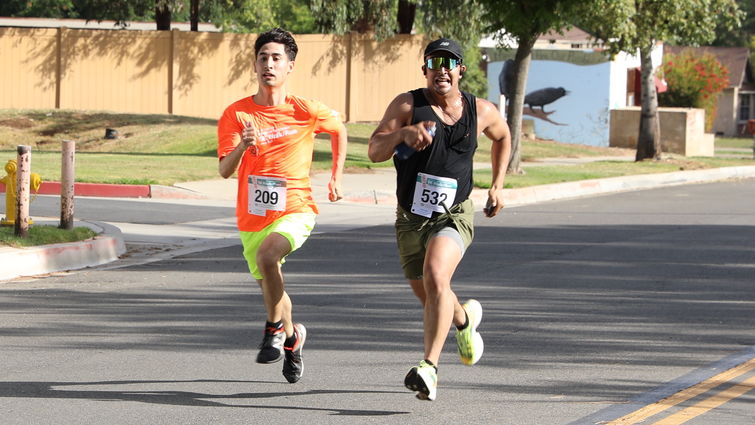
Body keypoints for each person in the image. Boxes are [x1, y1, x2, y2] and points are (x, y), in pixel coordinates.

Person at [368, 37, 511, 400]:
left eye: (449, 62)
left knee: (436, 276)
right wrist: (402, 133)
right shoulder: (408, 105)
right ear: (425, 70)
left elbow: (503, 136)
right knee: (433, 293)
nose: (442, 69)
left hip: (454, 214)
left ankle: (428, 368)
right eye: (434, 62)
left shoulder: (482, 111)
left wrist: (497, 185)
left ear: (461, 69)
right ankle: (464, 320)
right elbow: (373, 151)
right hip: (410, 219)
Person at [217, 28, 347, 384]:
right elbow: (225, 171)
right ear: (255, 64)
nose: (268, 64)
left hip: (296, 208)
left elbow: (339, 129)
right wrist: (243, 146)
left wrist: (336, 176)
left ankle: (274, 328)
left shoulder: (305, 110)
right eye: (263, 57)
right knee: (273, 287)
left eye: (276, 58)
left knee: (269, 258)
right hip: (253, 217)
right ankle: (293, 338)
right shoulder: (237, 114)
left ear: (290, 66)